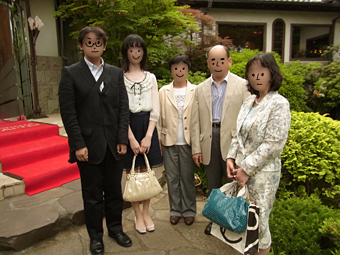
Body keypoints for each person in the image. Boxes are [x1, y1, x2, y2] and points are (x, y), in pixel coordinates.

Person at [59, 27, 132, 255]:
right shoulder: (70, 73)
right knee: (91, 196)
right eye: (89, 42)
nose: (94, 45)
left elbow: (123, 108)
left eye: (98, 41)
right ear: (81, 45)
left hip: (114, 144)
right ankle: (95, 237)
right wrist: (78, 144)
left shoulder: (115, 73)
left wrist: (122, 138)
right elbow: (68, 113)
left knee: (114, 192)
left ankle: (115, 229)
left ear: (104, 45)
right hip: (88, 146)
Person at [226, 53, 291, 255]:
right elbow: (238, 134)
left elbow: (273, 144)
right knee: (244, 221)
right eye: (252, 73)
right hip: (242, 172)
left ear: (272, 74)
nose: (256, 77)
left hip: (263, 176)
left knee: (259, 223)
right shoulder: (248, 102)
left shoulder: (279, 103)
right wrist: (230, 157)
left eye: (261, 72)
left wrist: (246, 168)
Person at [190, 45, 250, 235]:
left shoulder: (242, 85)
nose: (217, 64)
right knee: (213, 183)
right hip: (209, 140)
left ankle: (232, 221)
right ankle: (215, 222)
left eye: (221, 60)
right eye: (213, 61)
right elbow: (194, 120)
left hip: (234, 141)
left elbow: (248, 117)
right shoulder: (200, 89)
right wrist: (196, 148)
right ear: (208, 63)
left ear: (229, 61)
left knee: (233, 181)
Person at [121, 34, 163, 234]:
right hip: (127, 126)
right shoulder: (119, 77)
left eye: (139, 49)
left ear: (143, 52)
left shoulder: (151, 77)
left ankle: (146, 212)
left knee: (146, 172)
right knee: (131, 172)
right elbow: (120, 109)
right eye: (131, 49)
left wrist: (148, 136)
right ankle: (137, 214)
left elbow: (155, 109)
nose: (135, 53)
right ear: (126, 52)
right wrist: (129, 137)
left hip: (148, 126)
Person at [158, 54, 196, 226]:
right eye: (176, 68)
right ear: (171, 70)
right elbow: (158, 118)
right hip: (169, 141)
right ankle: (175, 210)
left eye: (183, 68)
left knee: (187, 178)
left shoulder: (196, 90)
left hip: (188, 142)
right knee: (172, 178)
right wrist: (158, 141)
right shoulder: (163, 91)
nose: (179, 71)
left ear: (188, 69)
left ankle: (189, 210)